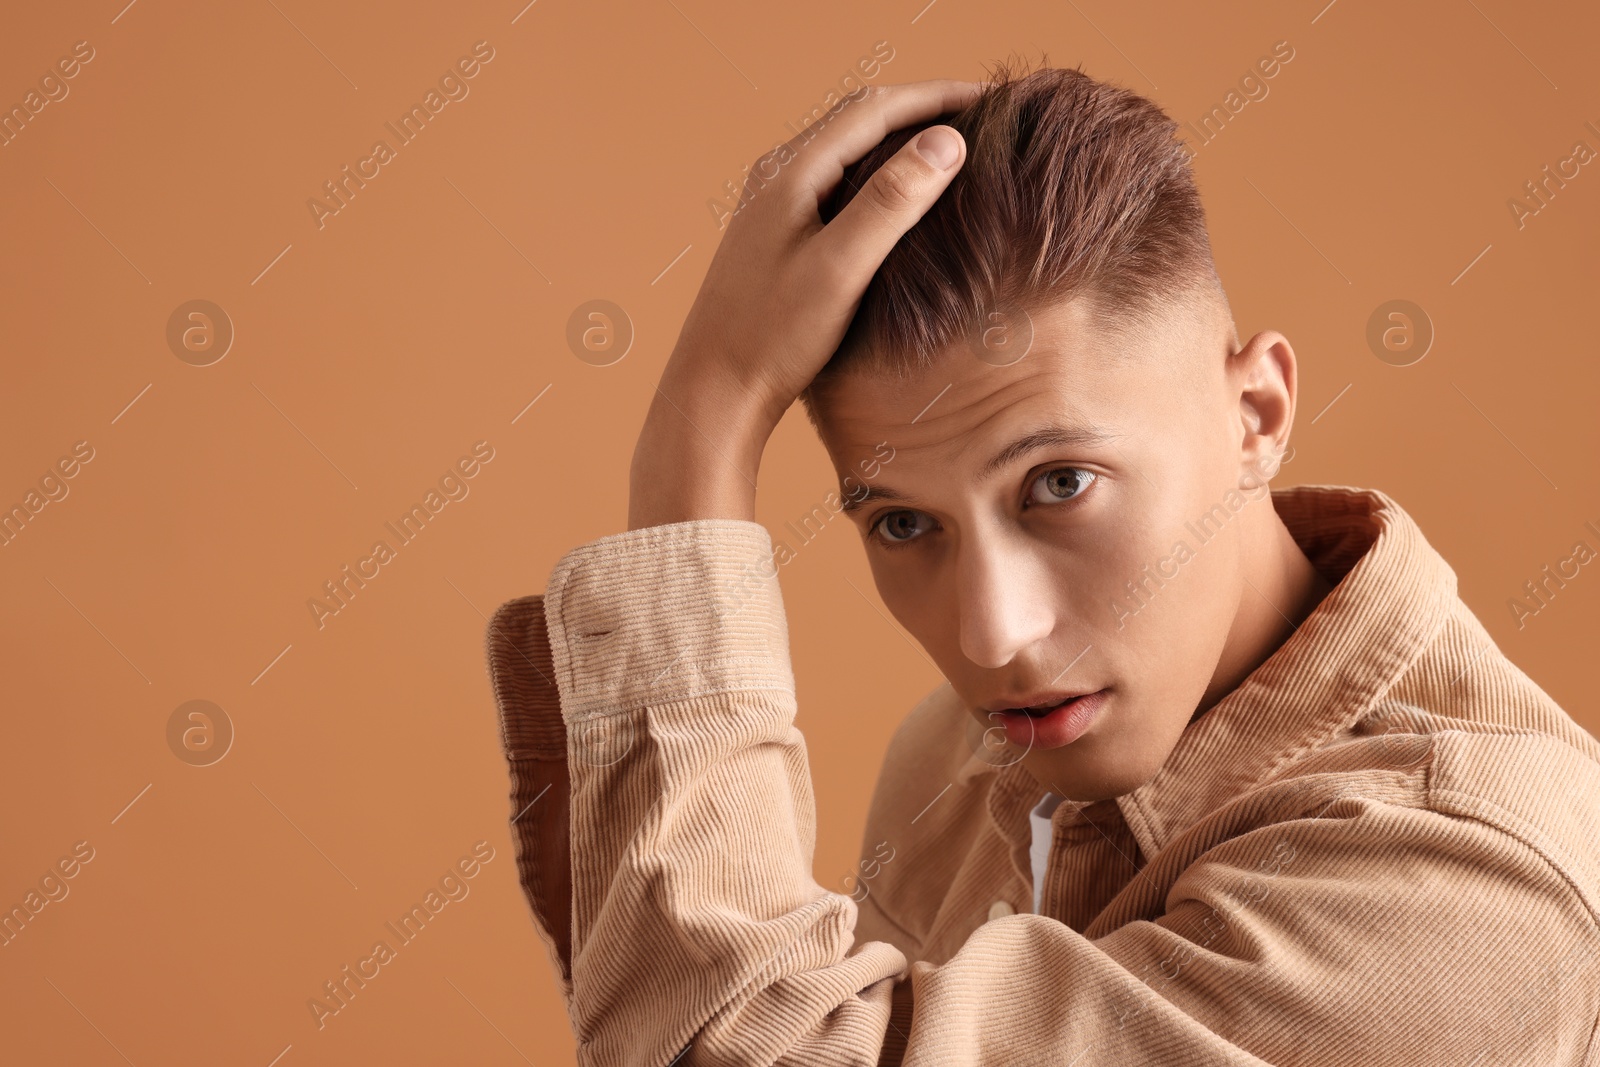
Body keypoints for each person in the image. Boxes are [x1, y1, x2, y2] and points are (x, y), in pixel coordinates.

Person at [484, 61, 1600, 1065]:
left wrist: (710, 408)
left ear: (1256, 412)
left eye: (1058, 484)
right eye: (904, 524)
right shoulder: (954, 759)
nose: (991, 635)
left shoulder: (1469, 888)